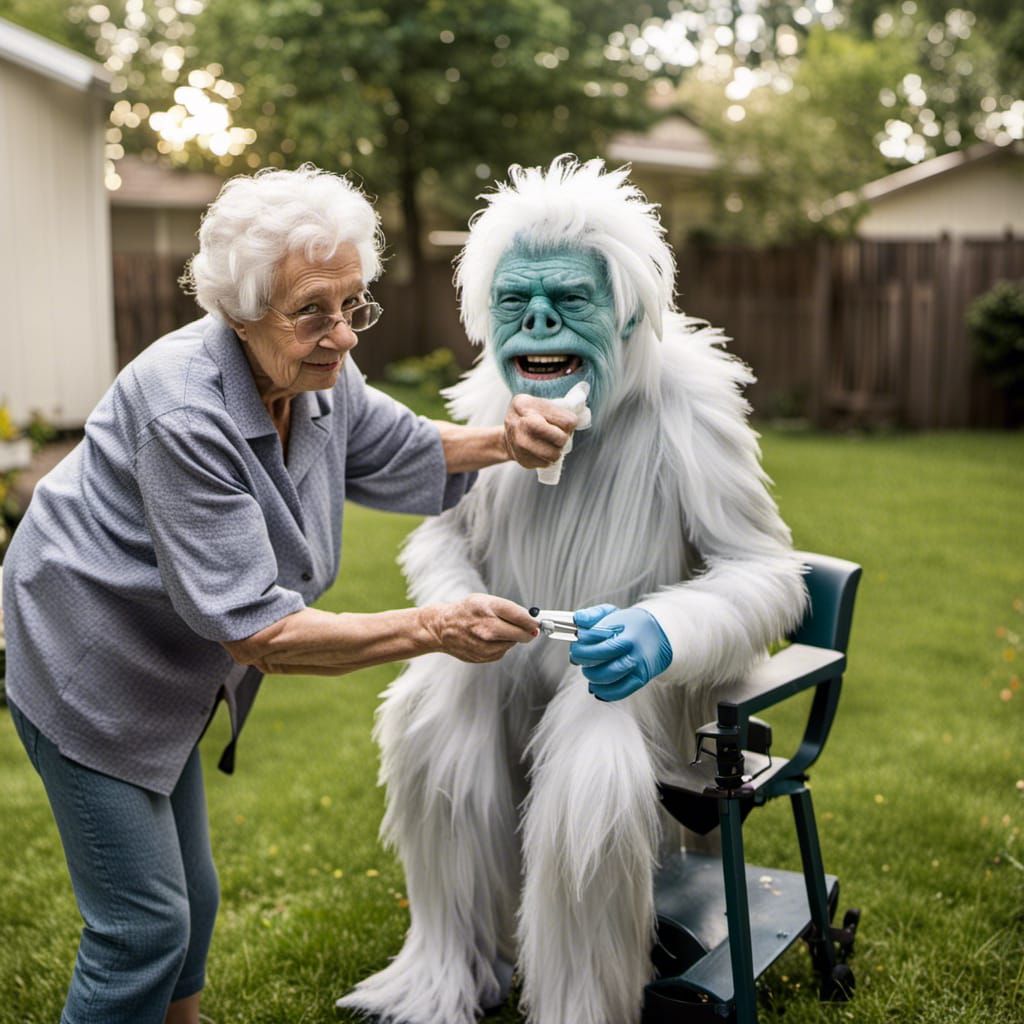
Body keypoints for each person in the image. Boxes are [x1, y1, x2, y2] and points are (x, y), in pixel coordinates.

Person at [0, 164, 579, 1024]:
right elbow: (262, 633)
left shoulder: (316, 380)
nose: (342, 336)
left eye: (353, 304)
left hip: (167, 660)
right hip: (86, 661)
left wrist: (507, 439)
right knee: (142, 926)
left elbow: (403, 447)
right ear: (237, 312)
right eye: (312, 309)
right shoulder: (185, 412)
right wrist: (435, 623)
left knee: (188, 904)